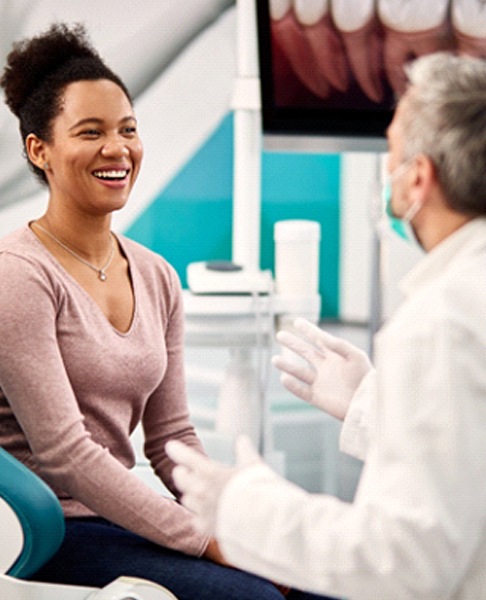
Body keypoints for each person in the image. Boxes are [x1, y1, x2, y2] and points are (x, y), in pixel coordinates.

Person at [0, 22, 331, 600]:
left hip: (121, 515)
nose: (117, 148)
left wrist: (232, 518)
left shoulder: (155, 274)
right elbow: (66, 455)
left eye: (128, 129)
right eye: (90, 131)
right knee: (252, 598)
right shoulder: (18, 274)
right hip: (46, 530)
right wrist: (206, 541)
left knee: (324, 585)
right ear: (39, 150)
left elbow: (171, 435)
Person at [167, 51, 486, 599]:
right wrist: (370, 403)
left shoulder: (439, 322)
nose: (384, 171)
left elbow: (403, 563)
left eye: (390, 150)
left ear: (418, 179)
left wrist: (245, 507)